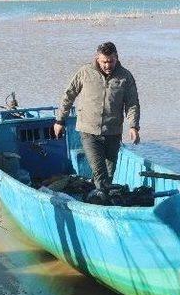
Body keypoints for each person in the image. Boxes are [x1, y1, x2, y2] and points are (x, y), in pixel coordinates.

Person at [54, 42, 140, 195]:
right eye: (104, 61)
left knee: (109, 172)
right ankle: (103, 203)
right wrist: (60, 120)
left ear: (116, 58)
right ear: (97, 59)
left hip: (113, 132)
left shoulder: (125, 77)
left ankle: (94, 195)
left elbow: (132, 104)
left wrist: (133, 126)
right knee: (100, 172)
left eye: (111, 61)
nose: (108, 65)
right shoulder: (85, 72)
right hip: (88, 131)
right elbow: (68, 96)